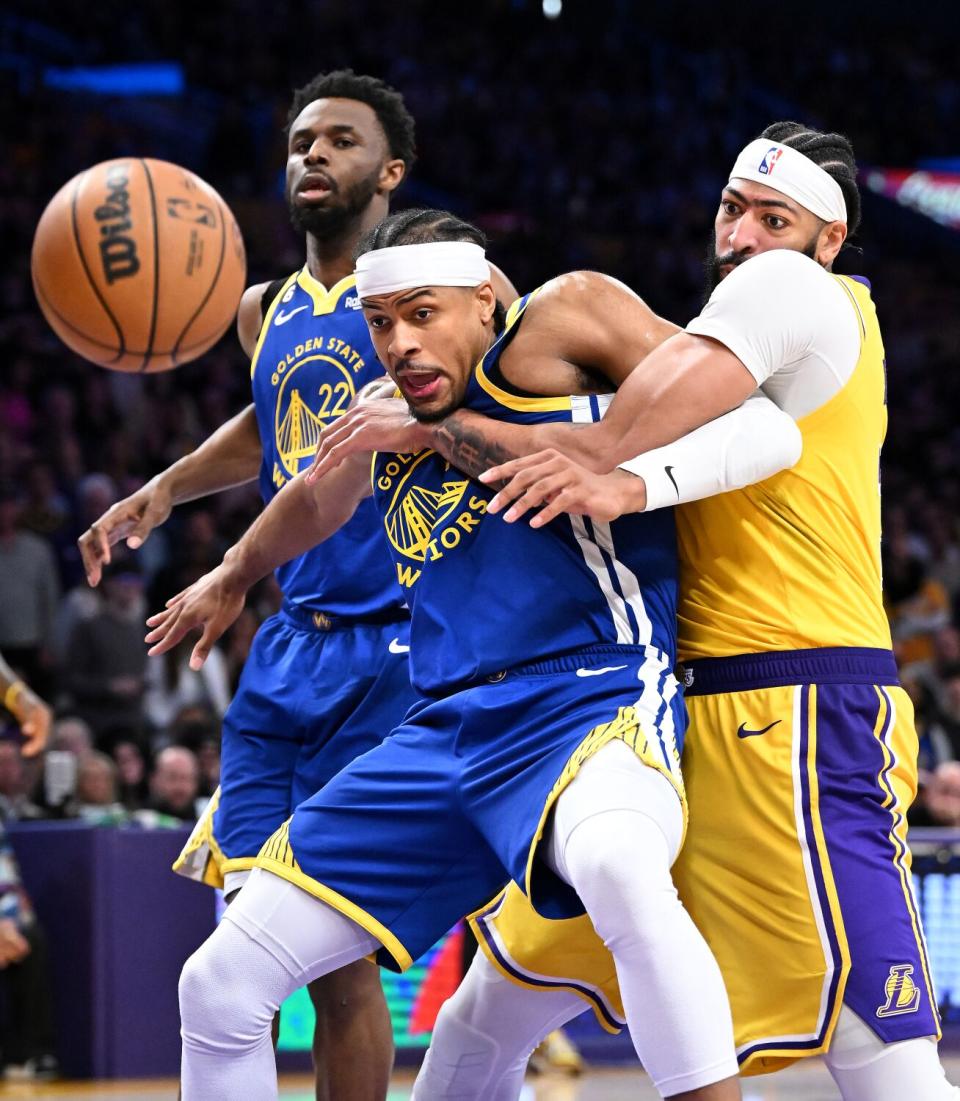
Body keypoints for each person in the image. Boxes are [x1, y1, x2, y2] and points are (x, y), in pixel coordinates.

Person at [314, 124, 953, 1101]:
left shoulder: (791, 289)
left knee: (873, 1045)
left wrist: (487, 431)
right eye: (733, 208)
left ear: (830, 241)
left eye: (773, 216)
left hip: (788, 706)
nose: (742, 233)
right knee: (495, 1004)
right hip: (654, 717)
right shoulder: (731, 329)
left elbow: (619, 437)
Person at [149, 208, 803, 1101]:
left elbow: (754, 419)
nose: (401, 343)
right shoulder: (386, 411)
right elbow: (312, 497)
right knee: (217, 985)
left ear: (487, 298)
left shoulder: (565, 320)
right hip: (444, 727)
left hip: (592, 693)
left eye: (424, 315)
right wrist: (232, 572)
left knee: (619, 870)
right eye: (382, 324)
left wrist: (610, 471)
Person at [76, 70, 428, 1100]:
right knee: (247, 938)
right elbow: (272, 424)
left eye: (340, 142)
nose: (312, 155)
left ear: (390, 171)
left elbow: (337, 468)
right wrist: (163, 492)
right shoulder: (260, 307)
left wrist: (229, 567)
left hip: (394, 643)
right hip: (290, 643)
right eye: (301, 140)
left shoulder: (419, 299)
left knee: (340, 952)